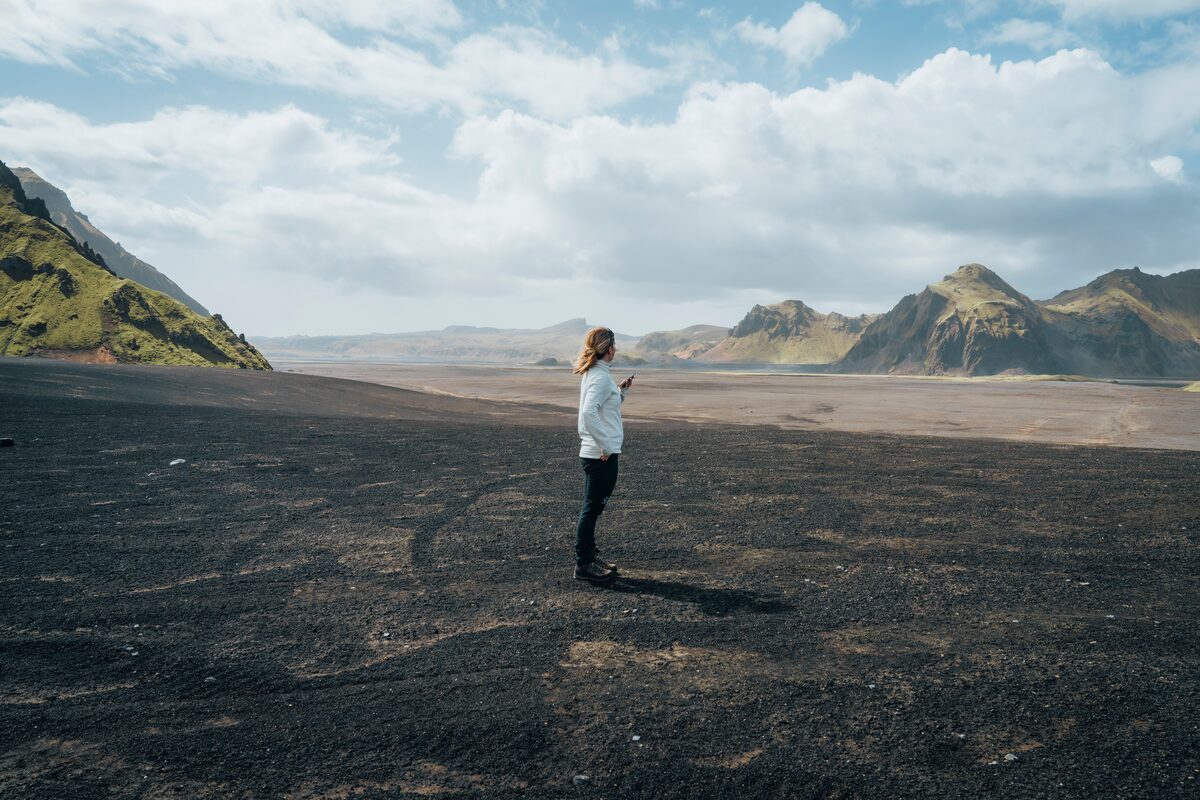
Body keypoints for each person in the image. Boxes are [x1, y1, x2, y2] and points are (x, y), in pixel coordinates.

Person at [572, 326, 634, 583]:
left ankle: (589, 556)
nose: (616, 350)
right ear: (609, 348)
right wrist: (606, 446)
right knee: (592, 508)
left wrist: (621, 392)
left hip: (599, 452)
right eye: (615, 346)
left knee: (594, 507)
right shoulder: (598, 377)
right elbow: (589, 413)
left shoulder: (598, 374)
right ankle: (584, 564)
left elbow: (605, 407)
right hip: (600, 454)